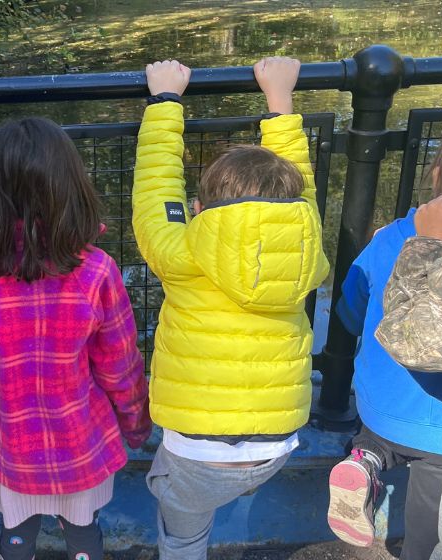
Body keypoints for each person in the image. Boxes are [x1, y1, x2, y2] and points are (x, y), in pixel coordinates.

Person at [134, 57, 329, 560]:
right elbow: (297, 187)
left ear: (197, 210)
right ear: (297, 208)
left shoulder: (181, 253)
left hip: (197, 448)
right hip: (277, 443)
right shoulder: (304, 243)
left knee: (183, 534)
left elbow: (155, 190)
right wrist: (280, 100)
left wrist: (164, 103)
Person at [0, 116, 152, 560]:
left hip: (9, 444)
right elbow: (121, 364)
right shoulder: (98, 270)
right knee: (83, 534)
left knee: (15, 533)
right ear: (70, 184)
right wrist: (136, 425)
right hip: (81, 444)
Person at [328, 123, 442, 558]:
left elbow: (350, 312)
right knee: (430, 527)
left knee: (380, 435)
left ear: (437, 175)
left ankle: (365, 460)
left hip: (379, 407)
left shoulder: (390, 237)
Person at [375, 189, 442, 560]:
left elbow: (398, 333)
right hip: (432, 438)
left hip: (400, 420)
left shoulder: (393, 237)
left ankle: (367, 456)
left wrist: (425, 244)